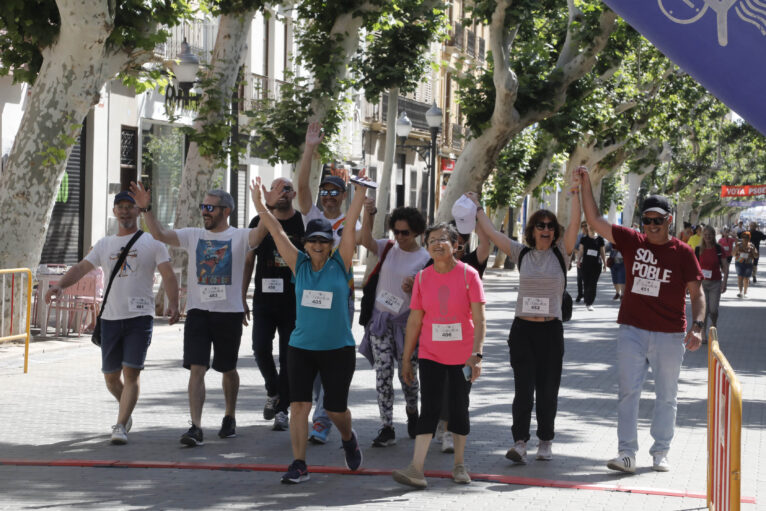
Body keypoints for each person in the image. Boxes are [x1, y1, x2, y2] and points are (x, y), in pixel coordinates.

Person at [577, 166, 705, 474]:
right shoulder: (632, 240)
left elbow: (697, 295)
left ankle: (661, 451)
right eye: (646, 220)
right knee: (628, 391)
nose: (650, 226)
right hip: (632, 330)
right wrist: (585, 183)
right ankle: (626, 454)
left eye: (657, 220)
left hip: (670, 334)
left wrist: (698, 327)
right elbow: (595, 220)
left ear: (669, 221)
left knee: (667, 396)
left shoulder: (684, 253)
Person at [251, 174, 365, 484]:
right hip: (301, 348)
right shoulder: (298, 264)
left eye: (323, 241)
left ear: (331, 245)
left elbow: (352, 221)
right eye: (312, 240)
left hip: (338, 350)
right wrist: (261, 205)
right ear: (306, 243)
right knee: (300, 406)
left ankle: (347, 437)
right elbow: (275, 231)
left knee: (335, 408)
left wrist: (360, 192)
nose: (317, 245)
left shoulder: (340, 263)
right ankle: (299, 464)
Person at [46, 191, 180, 445]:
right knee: (110, 376)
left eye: (130, 206)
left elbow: (169, 275)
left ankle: (120, 425)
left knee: (131, 373)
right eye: (120, 207)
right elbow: (80, 268)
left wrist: (173, 303)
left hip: (139, 318)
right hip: (109, 318)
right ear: (114, 211)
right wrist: (59, 285)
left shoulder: (153, 242)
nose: (125, 211)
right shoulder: (104, 244)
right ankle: (126, 410)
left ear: (138, 211)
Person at [130, 182, 256, 447]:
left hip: (229, 314)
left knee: (228, 368)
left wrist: (265, 205)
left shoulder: (241, 236)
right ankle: (196, 427)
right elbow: (160, 234)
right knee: (197, 368)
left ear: (226, 211)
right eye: (203, 207)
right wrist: (146, 209)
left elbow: (265, 233)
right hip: (198, 313)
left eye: (210, 207)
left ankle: (229, 415)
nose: (205, 212)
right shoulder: (193, 234)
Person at [467, 182, 580, 464]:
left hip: (551, 331)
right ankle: (519, 442)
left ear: (555, 231)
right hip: (523, 331)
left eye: (550, 225)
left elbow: (577, 222)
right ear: (532, 230)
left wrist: (577, 193)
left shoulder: (562, 253)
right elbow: (492, 234)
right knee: (523, 390)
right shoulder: (521, 253)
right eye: (540, 225)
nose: (546, 229)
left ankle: (546, 440)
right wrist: (477, 206)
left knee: (547, 391)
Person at [391, 223, 486, 488]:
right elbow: (414, 321)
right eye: (431, 240)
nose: (436, 244)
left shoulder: (469, 276)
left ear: (456, 245)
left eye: (442, 239)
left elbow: (479, 320)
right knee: (429, 407)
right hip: (431, 354)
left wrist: (476, 355)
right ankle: (416, 468)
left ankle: (459, 464)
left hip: (462, 356)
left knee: (459, 408)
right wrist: (407, 358)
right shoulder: (422, 277)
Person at [296, 122, 362, 445]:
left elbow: (363, 235)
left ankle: (322, 419)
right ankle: (311, 412)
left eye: (335, 191)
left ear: (343, 196)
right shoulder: (313, 219)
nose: (328, 196)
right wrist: (309, 148)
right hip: (310, 296)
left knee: (330, 358)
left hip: (342, 298)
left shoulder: (350, 222)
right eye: (325, 191)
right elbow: (302, 190)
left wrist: (368, 206)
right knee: (311, 356)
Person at [358, 205, 430, 447]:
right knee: (383, 374)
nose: (399, 237)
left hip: (408, 326)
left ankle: (412, 409)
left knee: (407, 375)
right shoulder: (388, 247)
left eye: (405, 233)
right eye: (396, 231)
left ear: (417, 232)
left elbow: (427, 296)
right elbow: (364, 238)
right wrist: (368, 214)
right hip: (380, 322)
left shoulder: (426, 259)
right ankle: (386, 426)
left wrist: (416, 286)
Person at [242, 177, 304, 432]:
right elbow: (248, 261)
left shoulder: (302, 222)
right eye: (276, 188)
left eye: (286, 188)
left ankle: (282, 410)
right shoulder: (259, 221)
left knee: (289, 357)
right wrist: (241, 296)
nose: (282, 193)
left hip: (293, 302)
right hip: (264, 301)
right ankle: (273, 389)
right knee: (259, 348)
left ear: (294, 194)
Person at [695, 225, 728, 343]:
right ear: (703, 236)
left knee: (713, 310)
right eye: (706, 234)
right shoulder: (698, 249)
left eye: (710, 234)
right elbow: (694, 268)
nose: (708, 237)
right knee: (704, 309)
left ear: (714, 235)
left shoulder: (719, 249)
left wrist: (725, 282)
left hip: (715, 283)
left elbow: (725, 266)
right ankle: (703, 334)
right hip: (702, 283)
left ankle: (713, 325)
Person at [577, 224, 607, 311]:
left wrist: (605, 263)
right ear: (588, 228)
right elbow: (581, 250)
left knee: (593, 284)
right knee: (586, 283)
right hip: (585, 265)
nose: (591, 228)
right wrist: (578, 260)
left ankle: (590, 303)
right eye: (590, 226)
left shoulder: (600, 239)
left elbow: (602, 252)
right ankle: (587, 300)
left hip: (596, 265)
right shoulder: (584, 239)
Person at [733, 231, 758, 298]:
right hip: (739, 263)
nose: (745, 238)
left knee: (746, 279)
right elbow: (732, 254)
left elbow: (756, 256)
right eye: (744, 237)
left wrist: (753, 251)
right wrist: (736, 250)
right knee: (740, 277)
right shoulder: (738, 245)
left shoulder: (752, 245)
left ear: (749, 238)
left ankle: (745, 292)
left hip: (748, 263)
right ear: (742, 238)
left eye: (747, 237)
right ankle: (740, 292)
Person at [575, 222, 588, 302]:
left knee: (587, 279)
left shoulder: (592, 236)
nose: (584, 228)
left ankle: (586, 295)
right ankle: (580, 294)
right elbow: (574, 248)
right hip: (580, 260)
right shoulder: (579, 237)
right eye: (582, 226)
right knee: (579, 278)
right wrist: (580, 252)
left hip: (589, 261)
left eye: (585, 226)